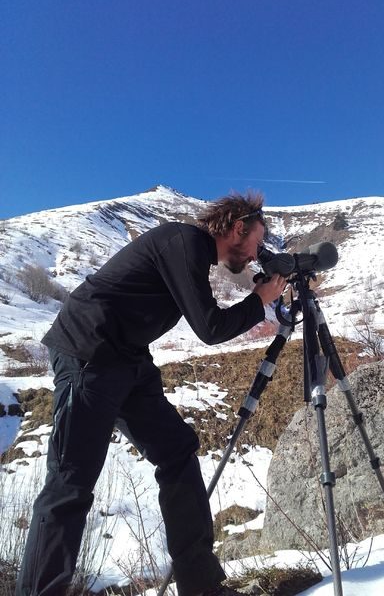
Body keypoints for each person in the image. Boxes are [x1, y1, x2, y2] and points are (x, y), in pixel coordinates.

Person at [16, 191, 287, 596]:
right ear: (236, 228)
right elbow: (210, 328)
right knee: (70, 483)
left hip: (127, 358)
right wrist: (259, 300)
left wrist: (258, 300)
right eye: (256, 242)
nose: (256, 254)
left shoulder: (192, 255)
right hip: (89, 350)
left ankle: (202, 587)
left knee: (178, 451)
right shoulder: (185, 242)